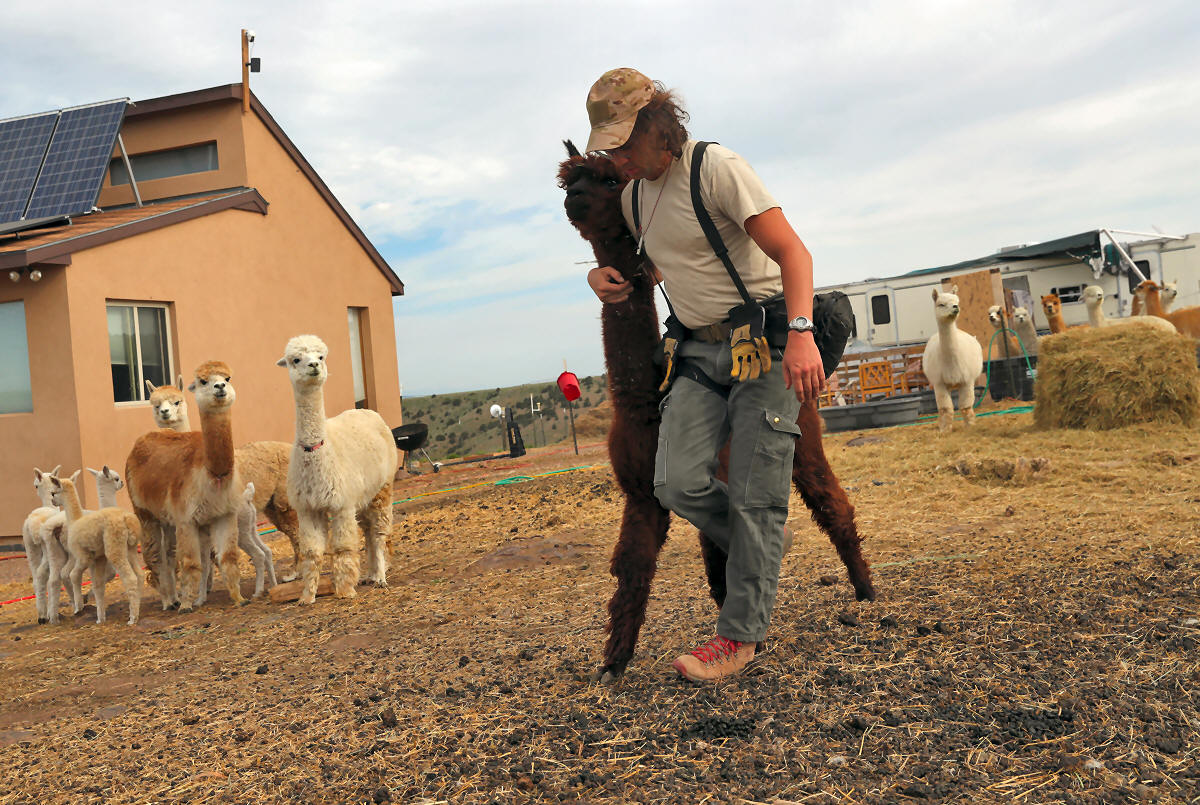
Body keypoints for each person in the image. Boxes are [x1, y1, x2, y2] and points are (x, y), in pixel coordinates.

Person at [582, 68, 825, 682]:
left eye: (623, 143)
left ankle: (737, 639)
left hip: (763, 342)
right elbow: (653, 266)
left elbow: (794, 253)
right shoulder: (635, 197)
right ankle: (760, 543)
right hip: (696, 351)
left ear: (658, 125)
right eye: (608, 148)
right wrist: (598, 277)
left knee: (754, 494)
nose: (617, 159)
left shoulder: (715, 169)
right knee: (676, 482)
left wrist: (801, 334)